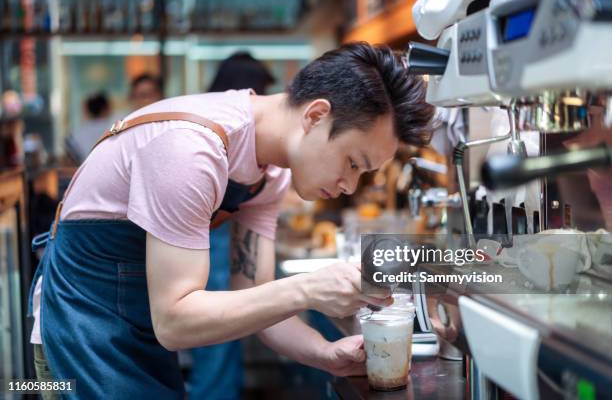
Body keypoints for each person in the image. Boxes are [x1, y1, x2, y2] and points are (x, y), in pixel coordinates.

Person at [28, 42, 434, 398]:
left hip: (139, 327)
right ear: (315, 116)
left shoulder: (268, 174)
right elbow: (175, 321)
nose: (349, 185)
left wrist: (324, 354)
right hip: (80, 326)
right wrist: (307, 288)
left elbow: (257, 300)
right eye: (352, 163)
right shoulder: (190, 150)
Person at [189, 51, 276, 400]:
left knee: (221, 337)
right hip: (211, 250)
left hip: (215, 248)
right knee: (217, 339)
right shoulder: (216, 138)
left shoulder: (211, 121)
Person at [65, 92, 113, 164]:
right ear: (106, 109)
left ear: (87, 111)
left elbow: (71, 161)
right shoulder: (116, 129)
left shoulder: (75, 134)